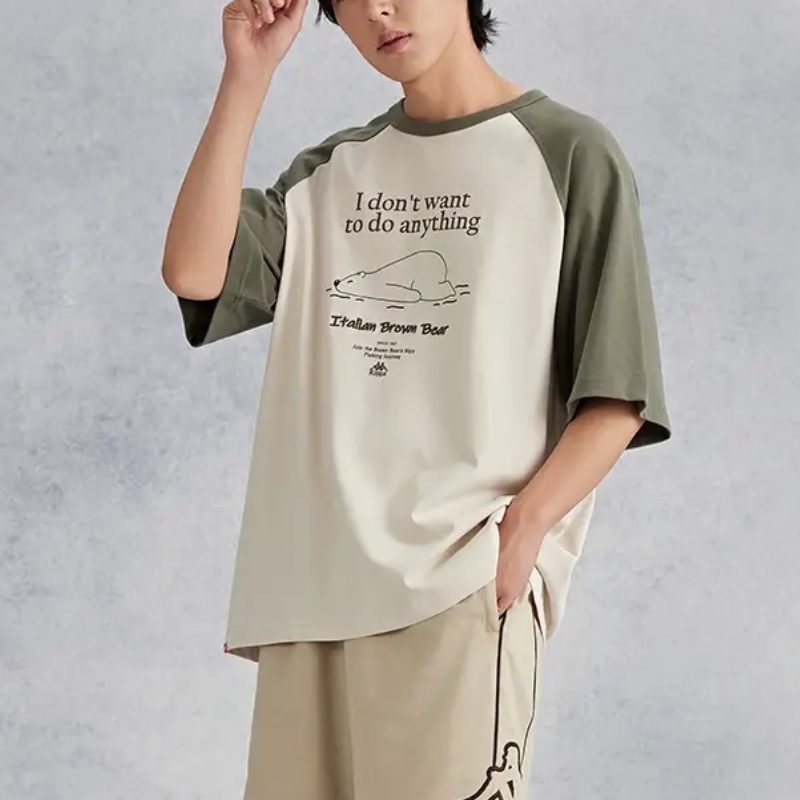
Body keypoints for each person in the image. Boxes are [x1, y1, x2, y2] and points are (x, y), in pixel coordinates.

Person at [160, 0, 672, 797]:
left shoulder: (569, 154)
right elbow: (196, 272)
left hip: (454, 589)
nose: (377, 11)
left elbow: (616, 395)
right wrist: (246, 77)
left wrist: (522, 530)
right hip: (307, 597)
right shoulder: (333, 172)